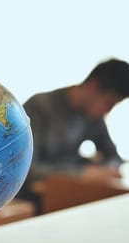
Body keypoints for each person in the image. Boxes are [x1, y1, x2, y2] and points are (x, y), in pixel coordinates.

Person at [20, 58, 129, 200]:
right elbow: (27, 170)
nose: (107, 110)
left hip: (72, 190)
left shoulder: (93, 117)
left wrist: (107, 169)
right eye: (109, 103)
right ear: (93, 86)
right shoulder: (39, 107)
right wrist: (81, 173)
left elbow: (114, 156)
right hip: (36, 197)